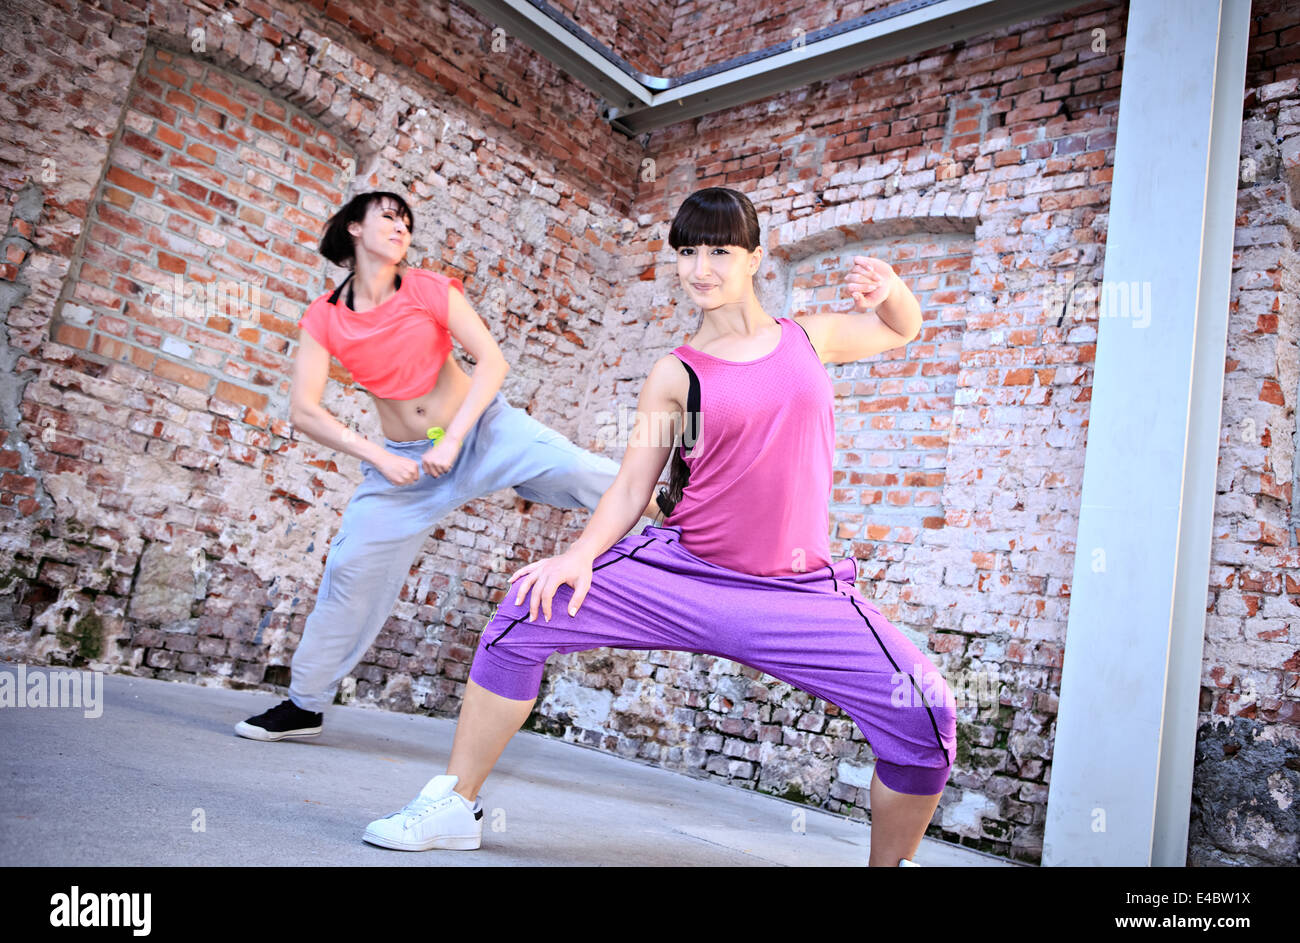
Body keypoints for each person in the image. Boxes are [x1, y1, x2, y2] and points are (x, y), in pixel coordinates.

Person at [360, 187, 958, 867]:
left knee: (925, 713)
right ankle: (452, 804)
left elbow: (900, 329)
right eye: (688, 252)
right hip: (684, 572)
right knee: (523, 612)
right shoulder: (675, 374)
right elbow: (631, 486)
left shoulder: (808, 339)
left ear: (755, 258)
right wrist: (579, 555)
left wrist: (891, 292)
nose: (701, 267)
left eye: (720, 251)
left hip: (796, 596)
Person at [235, 191, 657, 743]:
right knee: (350, 572)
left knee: (590, 474)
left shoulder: (429, 288)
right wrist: (379, 456)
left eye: (407, 220)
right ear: (354, 230)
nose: (400, 226)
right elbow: (305, 411)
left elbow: (493, 361)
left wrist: (455, 438)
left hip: (485, 433)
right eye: (387, 216)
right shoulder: (327, 317)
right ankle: (304, 705)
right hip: (405, 469)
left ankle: (700, 521)